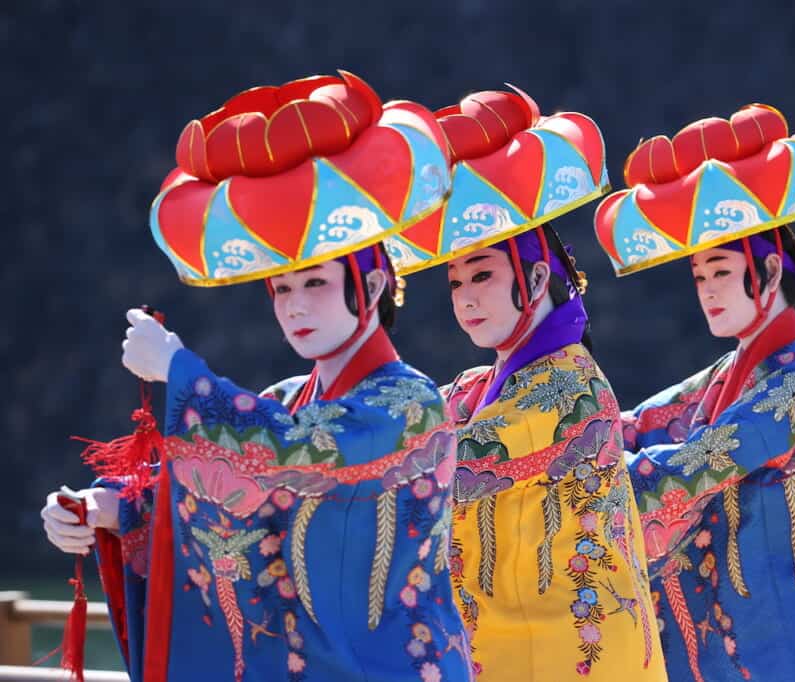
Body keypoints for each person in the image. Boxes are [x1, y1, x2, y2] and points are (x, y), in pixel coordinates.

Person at [41, 72, 472, 682]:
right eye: (282, 288)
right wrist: (106, 509)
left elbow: (299, 454)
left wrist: (177, 368)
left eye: (316, 283)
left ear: (372, 287)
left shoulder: (410, 400)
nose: (295, 305)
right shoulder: (284, 401)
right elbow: (213, 489)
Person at [593, 104, 795, 680]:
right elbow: (635, 423)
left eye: (722, 271)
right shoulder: (727, 375)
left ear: (773, 272)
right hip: (753, 638)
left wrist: (574, 480)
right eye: (699, 275)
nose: (706, 289)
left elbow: (700, 461)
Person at [391, 87, 666, 681]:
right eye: (456, 283)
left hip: (576, 660)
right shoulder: (475, 386)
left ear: (537, 276)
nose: (465, 298)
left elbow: (443, 468)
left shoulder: (565, 388)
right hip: (509, 655)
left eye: (483, 275)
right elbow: (401, 424)